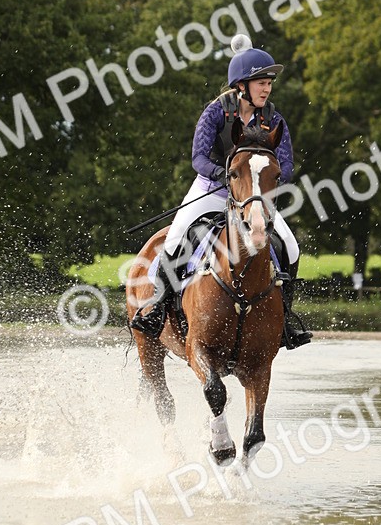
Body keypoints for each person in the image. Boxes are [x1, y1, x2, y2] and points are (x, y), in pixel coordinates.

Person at [130, 35, 311, 349]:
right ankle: (157, 309)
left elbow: (287, 163)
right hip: (211, 190)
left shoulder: (274, 119)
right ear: (241, 85)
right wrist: (225, 176)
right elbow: (198, 158)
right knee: (174, 241)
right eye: (261, 82)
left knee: (291, 248)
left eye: (269, 82)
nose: (267, 88)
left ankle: (286, 322)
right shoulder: (215, 112)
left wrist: (264, 181)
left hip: (254, 196)